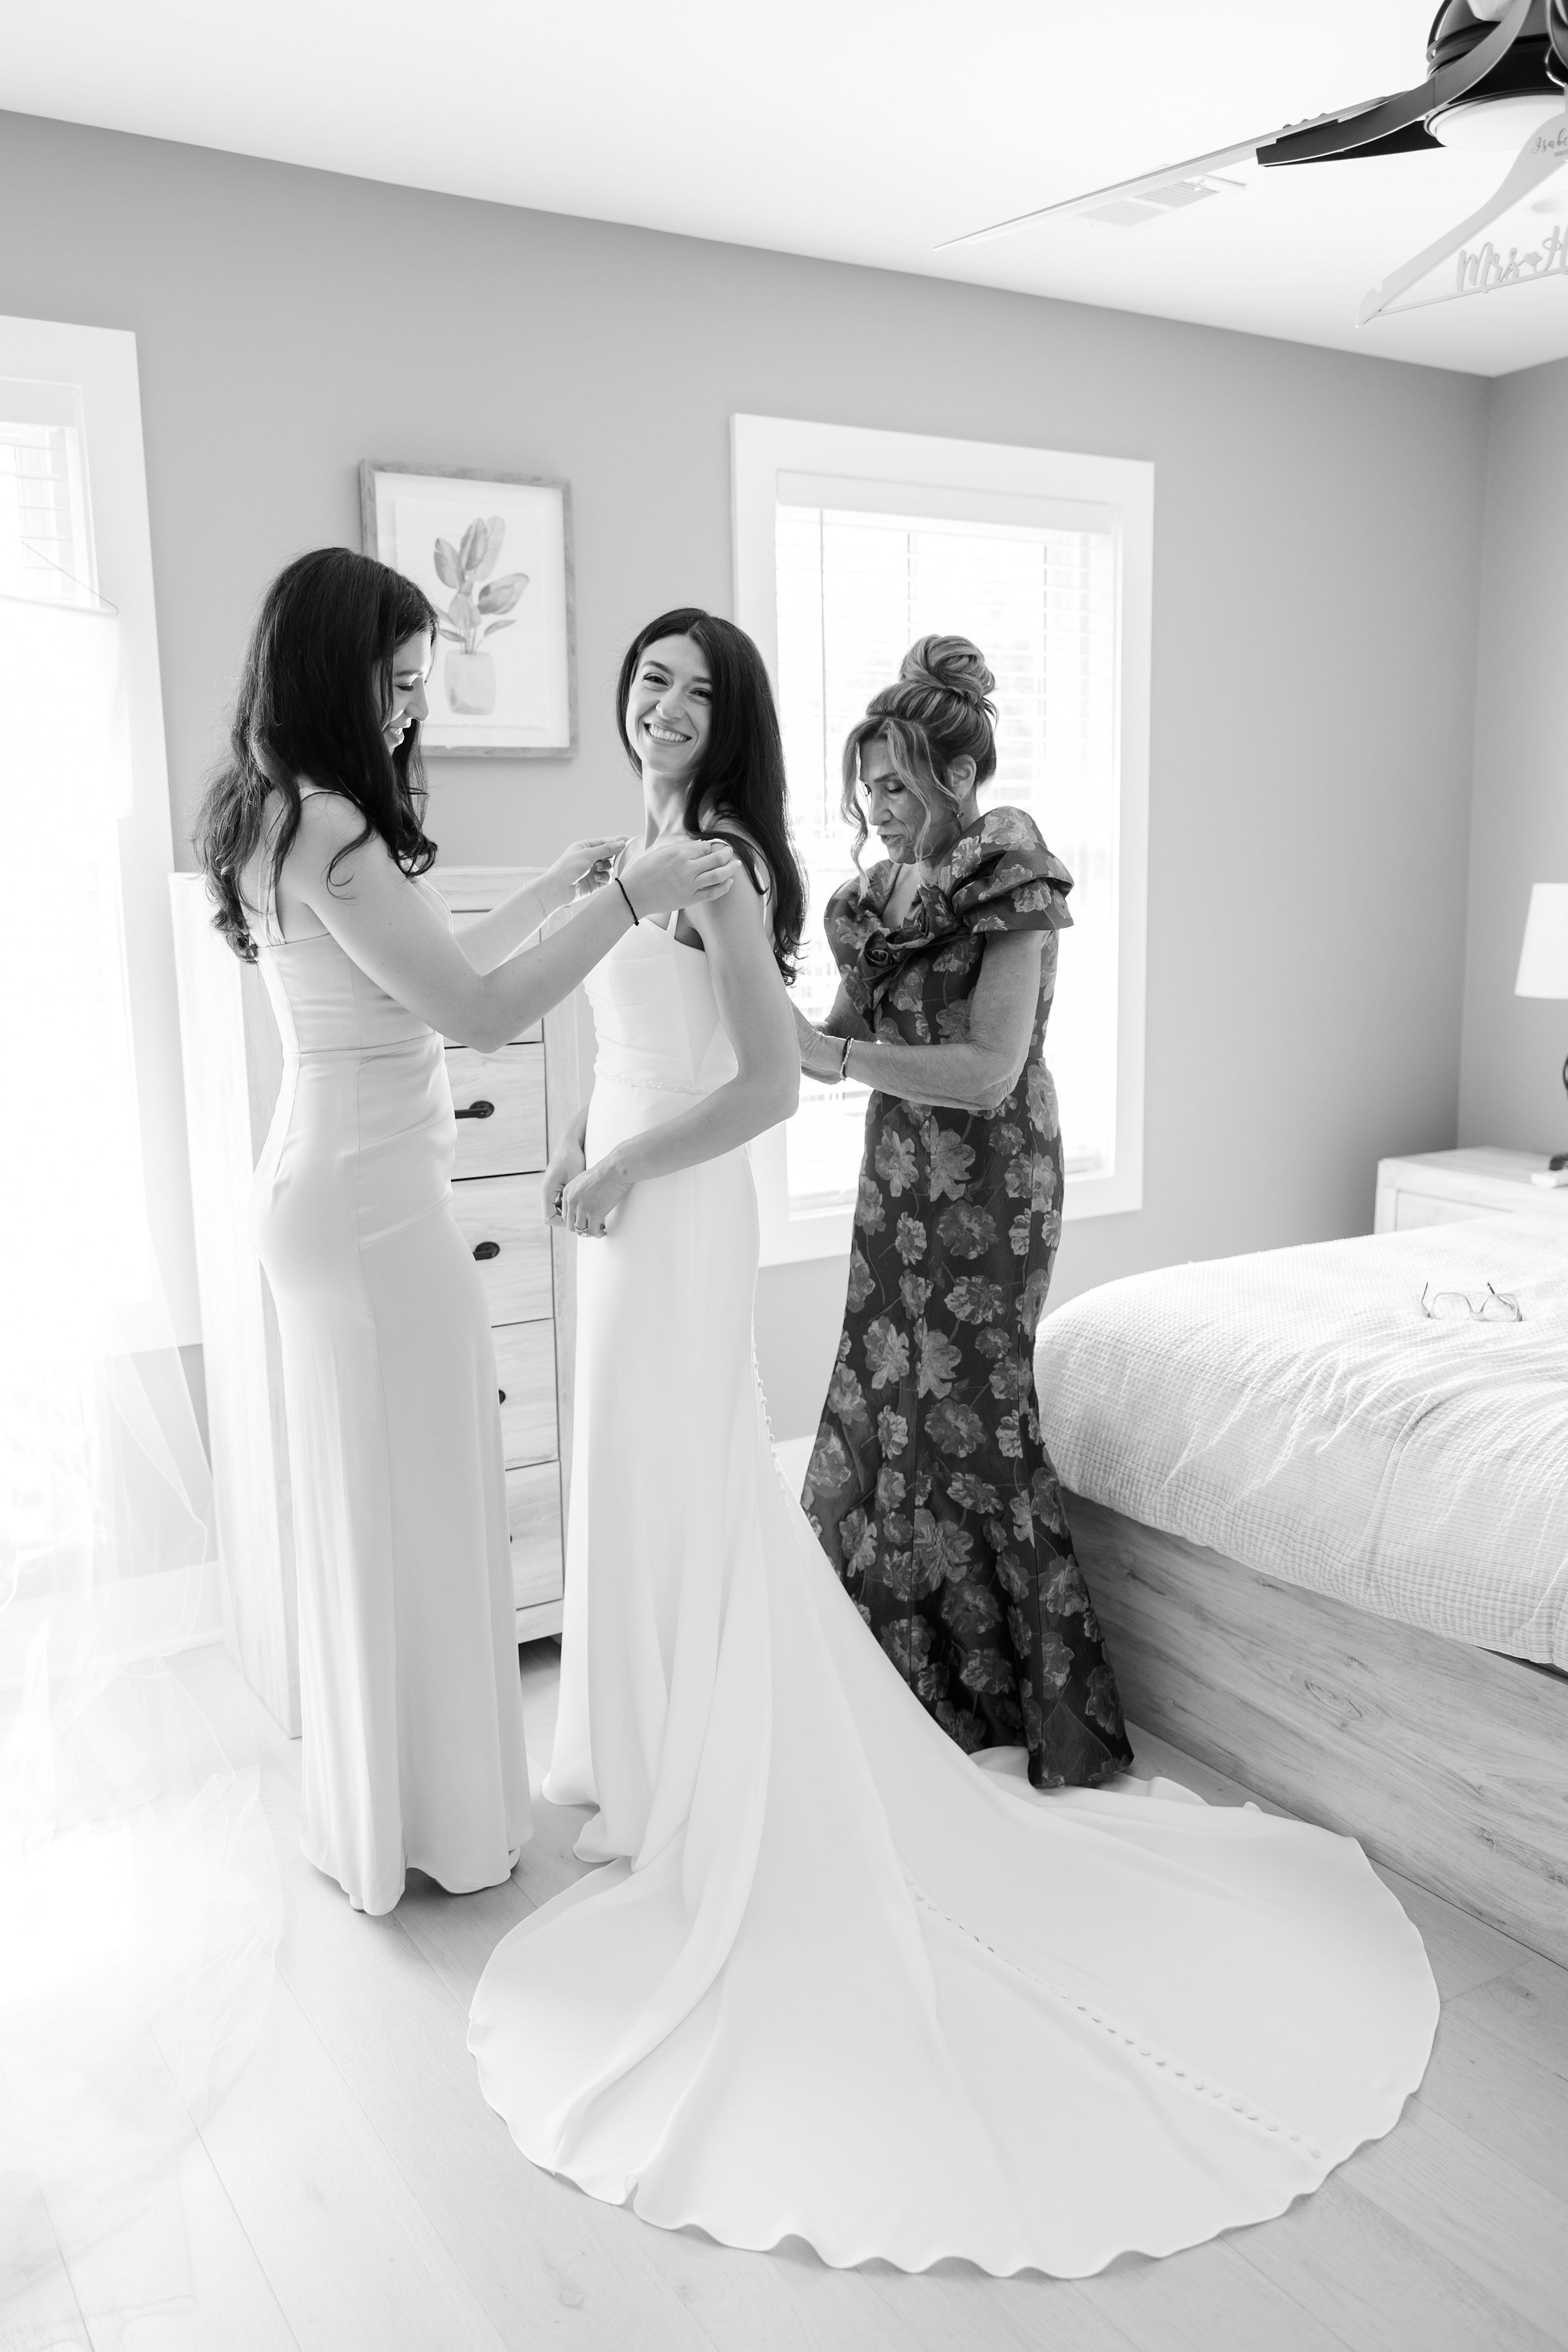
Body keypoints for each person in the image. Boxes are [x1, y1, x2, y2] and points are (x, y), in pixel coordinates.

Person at [466, 606, 1437, 2278]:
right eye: (650, 678)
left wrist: (648, 1148)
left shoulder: (773, 875)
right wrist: (590, 1130)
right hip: (767, 1188)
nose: (662, 705)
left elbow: (850, 1069)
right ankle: (650, 1745)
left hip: (931, 1185)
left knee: (841, 1455)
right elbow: (652, 1038)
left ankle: (843, 1729)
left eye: (697, 691)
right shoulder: (665, 860)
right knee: (777, 1453)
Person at [194, 549, 734, 1916]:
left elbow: (434, 967)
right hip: (374, 1208)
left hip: (326, 1185)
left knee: (372, 1507)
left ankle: (381, 1817)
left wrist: (560, 883)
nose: (405, 712)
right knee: (428, 1505)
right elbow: (479, 1014)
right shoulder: (332, 823)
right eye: (398, 682)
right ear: (339, 667)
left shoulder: (274, 809)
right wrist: (629, 898)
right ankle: (438, 1826)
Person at [794, 636, 1131, 1790]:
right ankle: (894, 1686)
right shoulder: (870, 899)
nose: (880, 808)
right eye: (867, 788)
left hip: (993, 1180)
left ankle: (1022, 1701)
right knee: (885, 1401)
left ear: (959, 773)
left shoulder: (1010, 869)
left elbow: (988, 1069)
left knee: (976, 1418)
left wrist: (835, 1054)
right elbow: (824, 1037)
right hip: (897, 1174)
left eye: (899, 783)